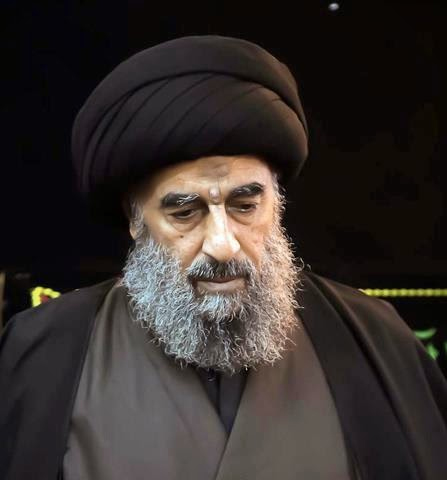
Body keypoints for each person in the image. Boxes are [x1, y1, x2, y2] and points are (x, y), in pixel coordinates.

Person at [1, 35, 446, 480]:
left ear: (277, 202)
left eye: (245, 206)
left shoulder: (376, 340)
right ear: (135, 220)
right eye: (185, 212)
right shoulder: (42, 354)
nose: (223, 244)